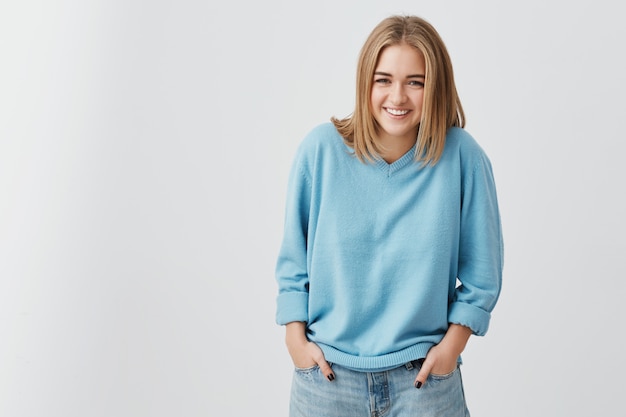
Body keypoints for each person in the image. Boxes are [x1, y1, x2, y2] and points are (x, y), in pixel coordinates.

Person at [274, 14, 503, 417]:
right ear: (365, 82)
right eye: (384, 79)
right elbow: (294, 264)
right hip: (327, 383)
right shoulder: (321, 152)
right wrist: (297, 342)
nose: (397, 97)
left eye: (415, 81)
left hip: (424, 385)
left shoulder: (463, 158)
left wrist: (451, 349)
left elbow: (483, 275)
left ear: (437, 87)